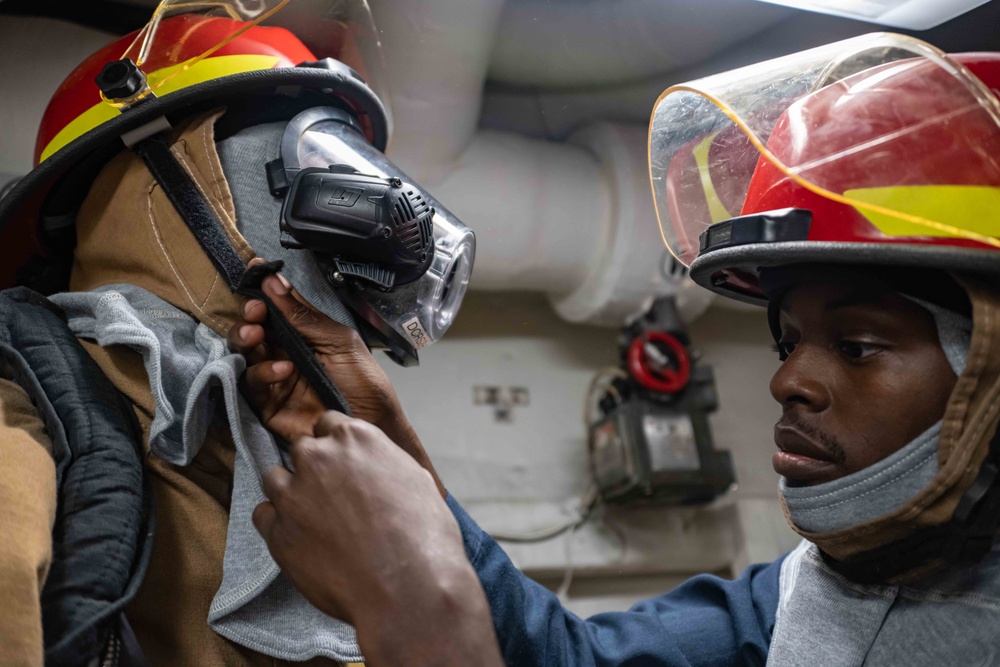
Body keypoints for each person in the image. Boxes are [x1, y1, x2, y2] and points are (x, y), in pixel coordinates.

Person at [229, 34, 1000, 666]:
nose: (790, 380)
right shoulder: (821, 589)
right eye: (787, 340)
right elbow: (576, 660)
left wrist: (413, 605)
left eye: (858, 345)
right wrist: (387, 431)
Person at [0, 1, 474, 665]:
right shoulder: (17, 447)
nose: (377, 220)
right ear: (155, 201)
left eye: (353, 166)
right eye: (314, 171)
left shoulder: (320, 469)